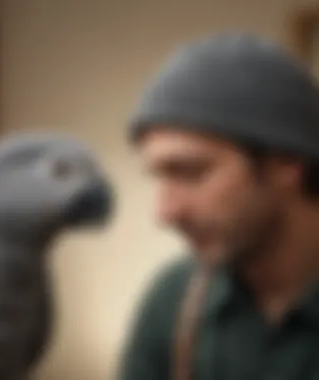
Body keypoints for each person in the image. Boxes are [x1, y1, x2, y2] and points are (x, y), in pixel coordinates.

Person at [118, 33, 319, 380]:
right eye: (160, 177)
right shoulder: (173, 300)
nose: (166, 213)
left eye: (191, 172)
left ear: (287, 163)